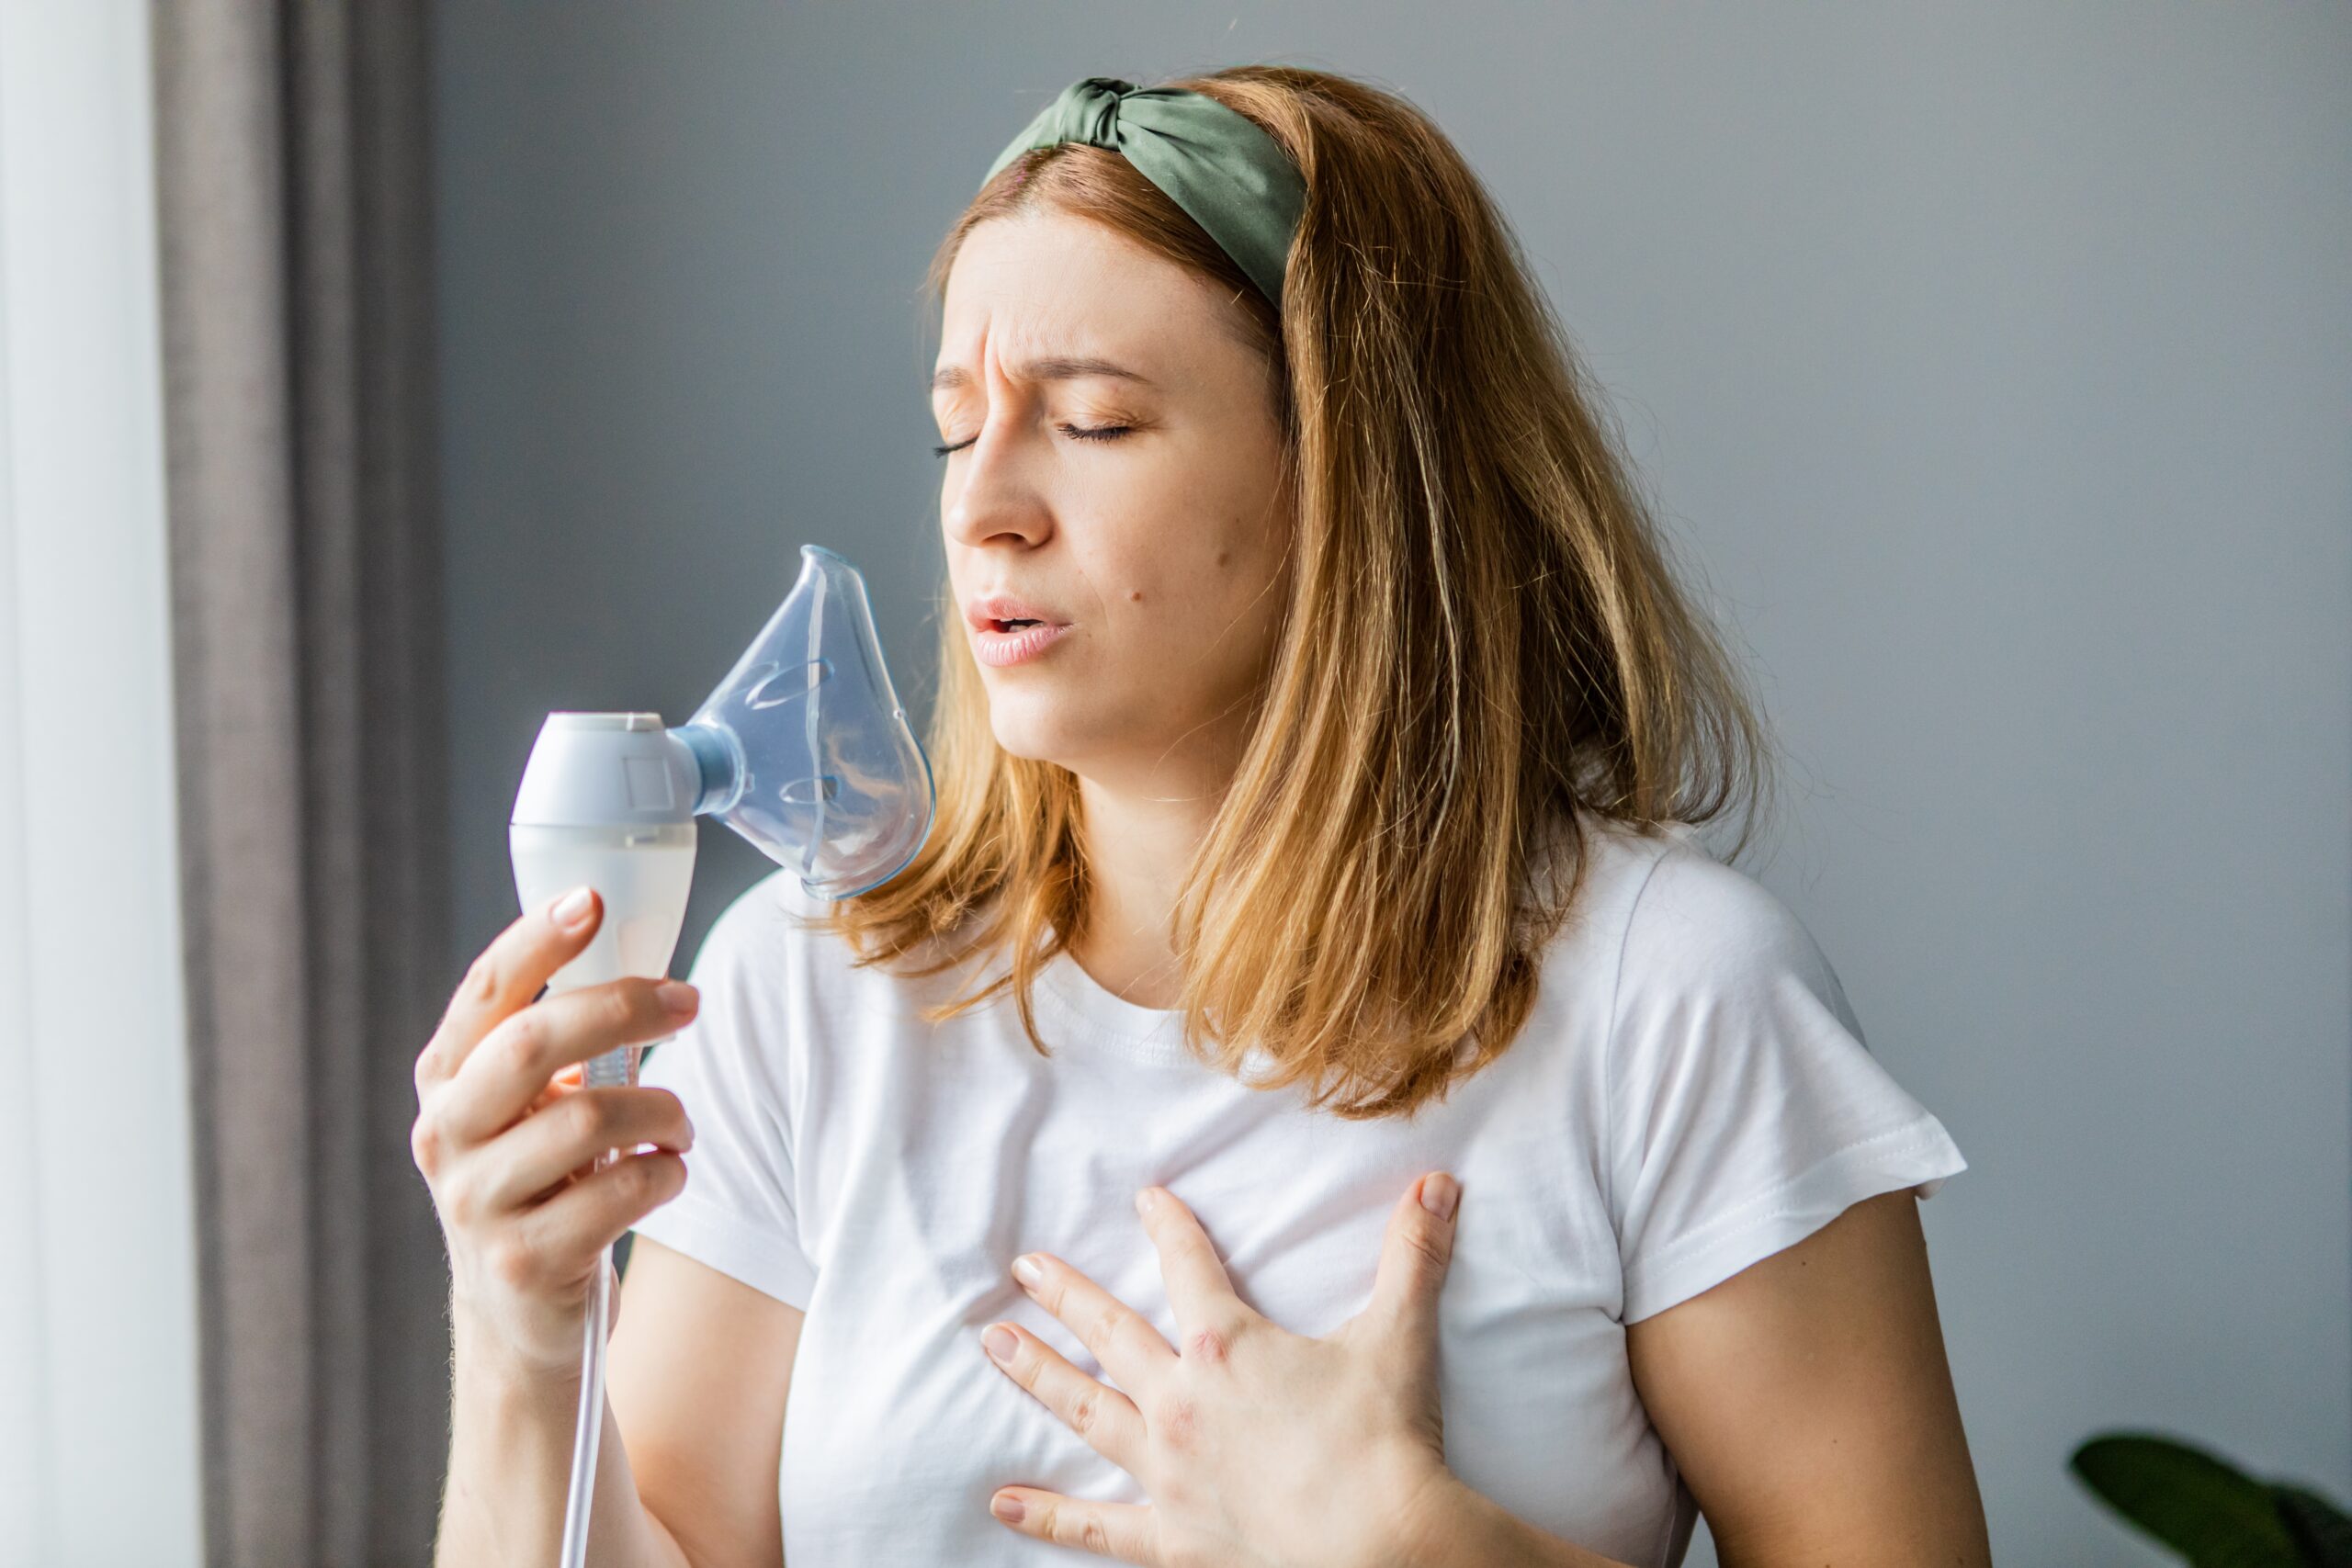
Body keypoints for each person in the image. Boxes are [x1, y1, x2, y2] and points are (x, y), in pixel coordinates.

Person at [413, 65, 1992, 1568]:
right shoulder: (804, 992)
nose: (982, 505)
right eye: (960, 424)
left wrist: (1411, 1547)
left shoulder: (1673, 1002)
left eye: (1093, 421)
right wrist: (521, 1333)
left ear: (1356, 473)